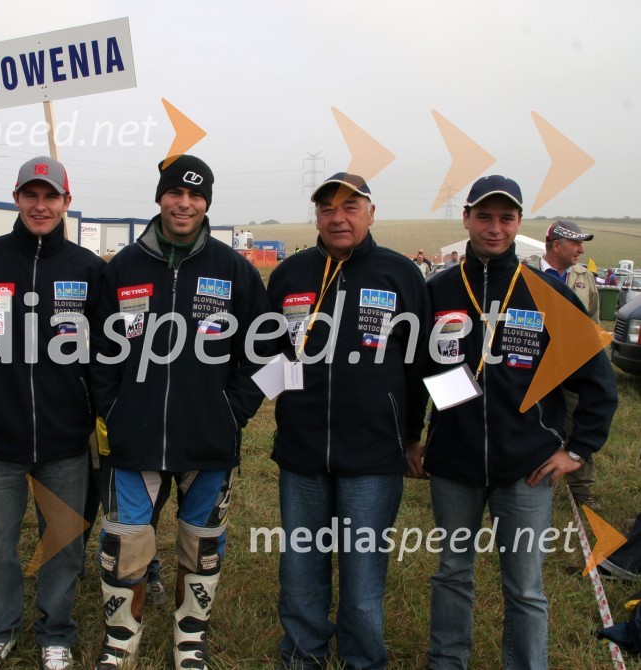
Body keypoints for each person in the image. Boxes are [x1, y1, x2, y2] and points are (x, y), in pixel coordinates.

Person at [407, 175, 618, 669]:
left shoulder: (547, 292)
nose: (494, 228)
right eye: (484, 217)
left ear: (520, 224)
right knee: (452, 571)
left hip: (527, 468)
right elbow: (414, 372)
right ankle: (446, 661)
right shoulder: (436, 290)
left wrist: (577, 448)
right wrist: (413, 438)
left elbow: (597, 381)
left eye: (505, 218)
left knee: (524, 584)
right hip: (455, 464)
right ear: (467, 219)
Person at [90, 154, 269, 669]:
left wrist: (234, 410)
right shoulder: (122, 268)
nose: (184, 203)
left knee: (202, 545)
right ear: (160, 197)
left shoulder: (234, 270)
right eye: (175, 193)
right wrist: (113, 407)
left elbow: (267, 353)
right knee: (124, 542)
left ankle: (189, 640)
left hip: (208, 440)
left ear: (207, 202)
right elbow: (97, 352)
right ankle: (121, 639)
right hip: (134, 438)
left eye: (195, 195)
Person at [267, 172, 430, 669]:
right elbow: (270, 356)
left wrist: (413, 437)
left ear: (371, 212)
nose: (338, 217)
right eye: (327, 208)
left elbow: (420, 364)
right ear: (316, 217)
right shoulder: (289, 275)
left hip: (374, 457)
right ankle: (303, 653)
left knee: (362, 577)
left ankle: (363, 659)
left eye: (350, 207)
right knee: (300, 568)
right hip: (301, 454)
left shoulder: (400, 275)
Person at [0, 156, 104, 670]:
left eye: (51, 196)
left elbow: (105, 352)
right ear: (16, 198)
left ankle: (56, 631)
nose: (41, 205)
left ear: (66, 201)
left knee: (62, 545)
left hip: (65, 438)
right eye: (31, 195)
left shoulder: (89, 270)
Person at [540, 219, 601, 509]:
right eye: (575, 243)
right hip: (536, 370)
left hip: (574, 368)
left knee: (579, 421)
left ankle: (582, 491)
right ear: (556, 244)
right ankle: (532, 478)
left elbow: (594, 321)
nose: (580, 249)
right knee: (535, 423)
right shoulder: (526, 272)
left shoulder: (583, 276)